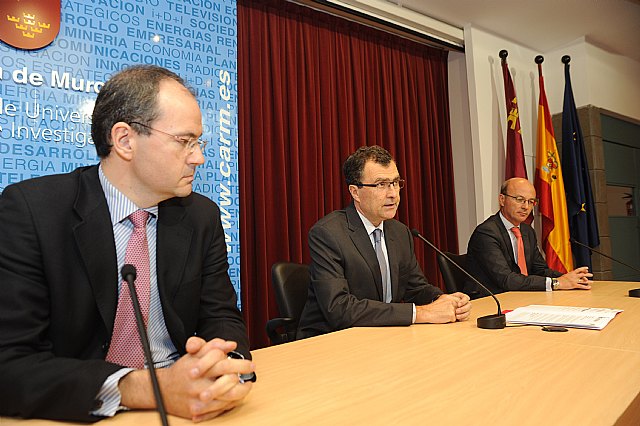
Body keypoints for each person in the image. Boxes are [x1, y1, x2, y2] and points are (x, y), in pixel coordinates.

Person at [0, 65, 255, 422]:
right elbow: (10, 364)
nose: (198, 157)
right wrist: (149, 389)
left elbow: (221, 315)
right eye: (185, 141)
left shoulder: (201, 216)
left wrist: (225, 368)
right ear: (124, 140)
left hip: (189, 403)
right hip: (85, 407)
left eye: (199, 142)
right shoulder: (32, 211)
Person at [297, 146, 471, 339]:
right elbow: (339, 308)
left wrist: (443, 300)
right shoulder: (328, 234)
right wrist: (421, 313)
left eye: (395, 183)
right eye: (381, 184)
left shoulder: (400, 232)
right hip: (332, 339)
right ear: (355, 192)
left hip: (384, 335)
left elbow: (416, 288)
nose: (393, 194)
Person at [465, 177, 593, 296]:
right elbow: (506, 279)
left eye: (531, 202)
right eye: (519, 199)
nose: (526, 207)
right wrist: (556, 283)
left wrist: (568, 278)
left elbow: (540, 270)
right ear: (502, 200)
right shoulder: (486, 233)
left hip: (520, 297)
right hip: (490, 301)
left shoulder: (527, 231)